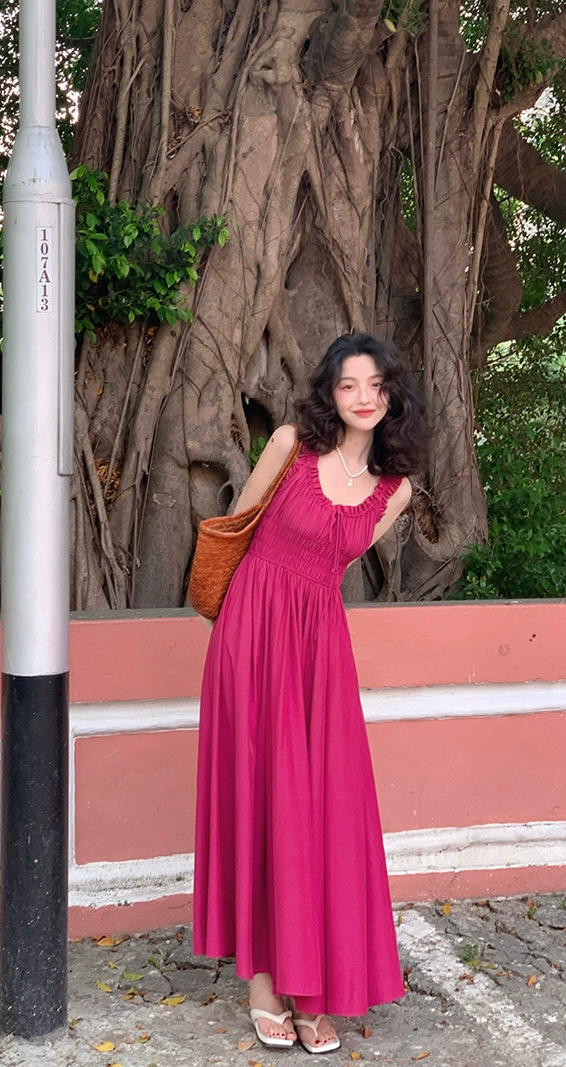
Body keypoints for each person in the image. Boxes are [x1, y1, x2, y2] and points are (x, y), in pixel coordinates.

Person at [192, 332, 428, 1053]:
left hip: (319, 647)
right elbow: (236, 531)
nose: (363, 397)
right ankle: (265, 983)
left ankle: (311, 984)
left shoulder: (395, 489)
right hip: (250, 637)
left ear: (392, 397)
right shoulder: (290, 445)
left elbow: (337, 563)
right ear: (330, 391)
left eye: (376, 385)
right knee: (263, 801)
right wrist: (241, 641)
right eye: (349, 384)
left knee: (319, 808)